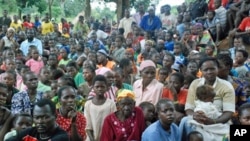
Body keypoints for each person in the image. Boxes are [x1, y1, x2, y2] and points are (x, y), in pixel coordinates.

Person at [179, 57, 235, 140]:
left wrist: (213, 121)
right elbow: (189, 108)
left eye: (212, 69)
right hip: (199, 121)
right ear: (201, 70)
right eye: (206, 70)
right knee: (185, 121)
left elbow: (228, 112)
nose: (209, 72)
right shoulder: (195, 84)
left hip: (218, 124)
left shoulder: (226, 86)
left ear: (218, 69)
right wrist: (194, 116)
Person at [84, 75, 116, 141]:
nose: (100, 89)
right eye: (97, 87)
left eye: (102, 86)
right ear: (93, 87)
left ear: (106, 88)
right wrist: (92, 139)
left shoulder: (111, 104)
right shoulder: (88, 104)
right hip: (91, 138)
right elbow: (88, 126)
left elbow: (113, 124)